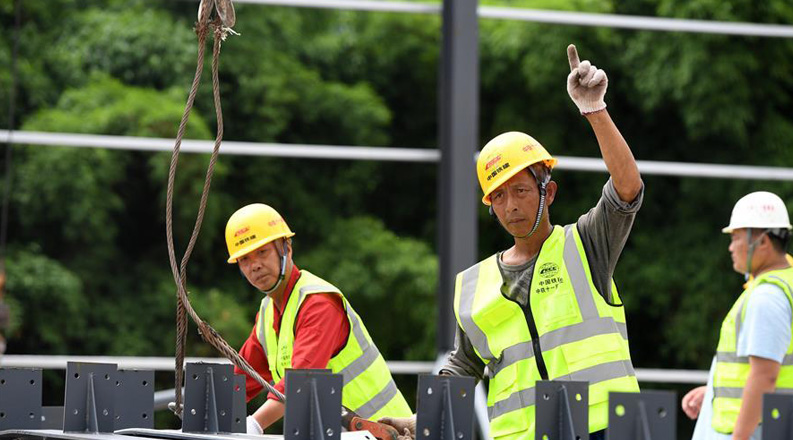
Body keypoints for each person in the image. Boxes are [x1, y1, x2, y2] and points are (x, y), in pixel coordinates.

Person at [380, 44, 642, 440]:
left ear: (547, 193)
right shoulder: (472, 285)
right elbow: (462, 368)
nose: (510, 206)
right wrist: (420, 421)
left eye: (520, 190)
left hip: (604, 428)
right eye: (498, 196)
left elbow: (626, 189)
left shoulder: (585, 244)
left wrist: (594, 110)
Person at [225, 203, 412, 434]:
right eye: (244, 259)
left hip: (386, 434)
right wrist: (207, 409)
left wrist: (255, 423)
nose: (255, 266)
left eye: (262, 252)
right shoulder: (268, 313)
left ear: (285, 248)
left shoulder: (318, 303)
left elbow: (301, 380)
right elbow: (241, 379)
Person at [682, 191, 793, 440]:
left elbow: (765, 375)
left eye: (736, 238)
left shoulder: (768, 296)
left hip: (755, 432)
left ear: (763, 241)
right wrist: (714, 392)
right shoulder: (784, 284)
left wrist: (740, 437)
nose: (731, 248)